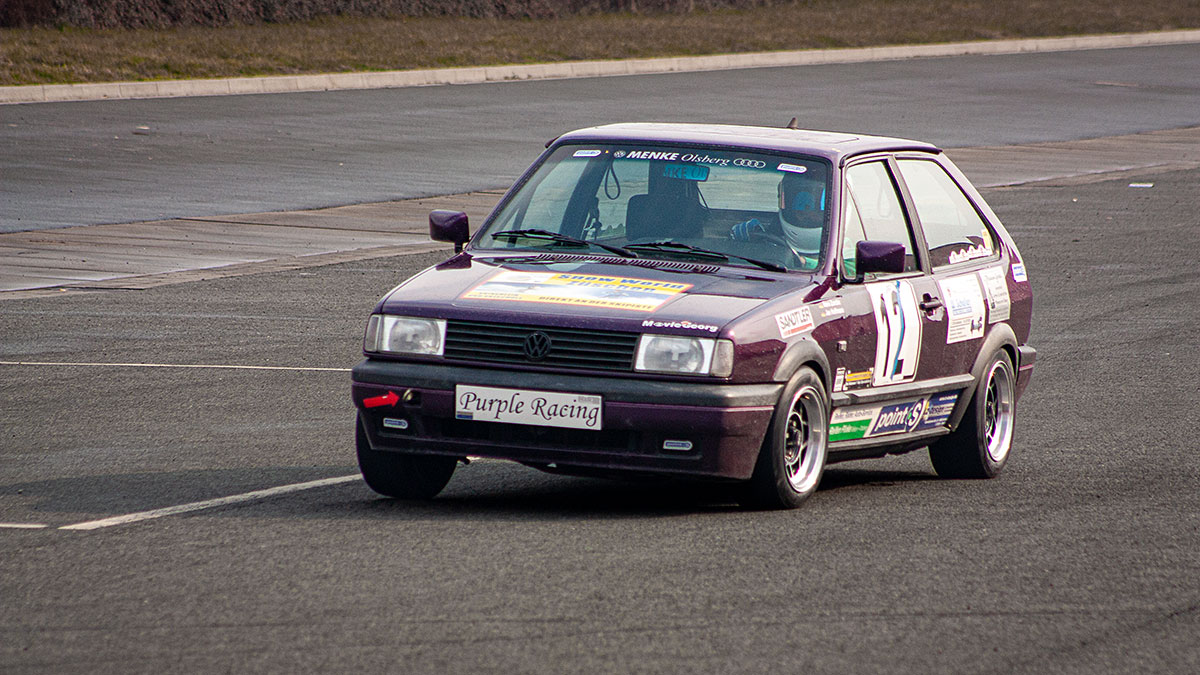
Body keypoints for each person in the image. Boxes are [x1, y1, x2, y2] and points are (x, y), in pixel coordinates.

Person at [730, 168, 827, 260]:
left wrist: (805, 262)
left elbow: (839, 266)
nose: (806, 213)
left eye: (816, 208)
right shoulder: (772, 232)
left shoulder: (840, 241)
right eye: (800, 204)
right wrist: (746, 239)